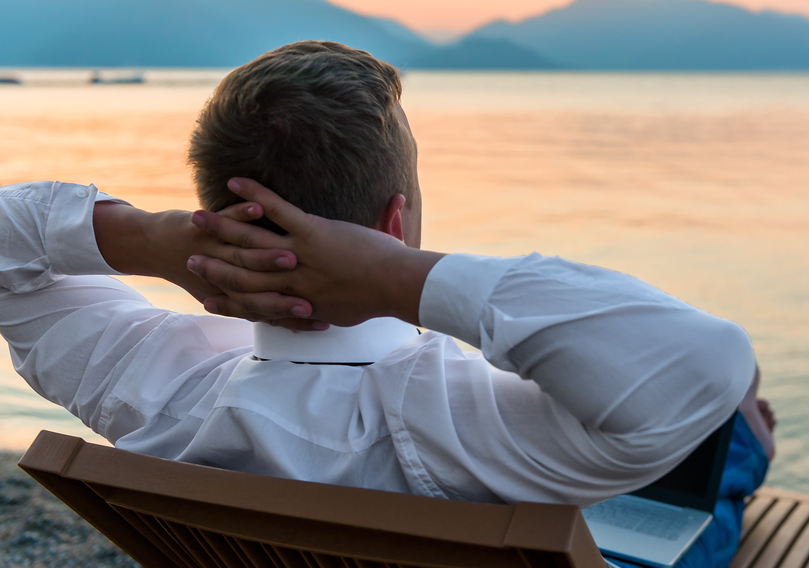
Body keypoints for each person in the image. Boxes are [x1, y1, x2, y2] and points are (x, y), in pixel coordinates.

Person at [0, 41, 759, 564]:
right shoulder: (467, 435)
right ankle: (747, 451)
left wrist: (152, 238)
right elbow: (707, 362)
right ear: (394, 225)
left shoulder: (151, 391)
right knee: (730, 431)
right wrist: (407, 280)